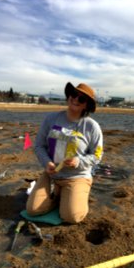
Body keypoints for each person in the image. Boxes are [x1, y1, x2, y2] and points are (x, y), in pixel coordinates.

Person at [26, 82, 103, 224]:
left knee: (71, 217)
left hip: (77, 176)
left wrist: (78, 161)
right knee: (33, 210)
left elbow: (97, 155)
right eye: (74, 95)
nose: (75, 99)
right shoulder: (50, 119)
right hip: (52, 174)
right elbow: (39, 146)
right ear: (69, 97)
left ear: (86, 105)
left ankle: (76, 194)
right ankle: (58, 196)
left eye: (81, 99)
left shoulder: (92, 126)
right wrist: (47, 162)